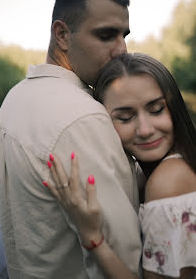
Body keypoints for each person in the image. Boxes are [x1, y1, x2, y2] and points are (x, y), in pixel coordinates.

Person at [0, 0, 143, 278]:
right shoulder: (84, 118)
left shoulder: (14, 99)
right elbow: (125, 260)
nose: (122, 49)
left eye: (124, 35)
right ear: (62, 34)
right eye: (106, 35)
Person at [44, 53, 196, 279]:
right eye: (125, 118)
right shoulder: (181, 162)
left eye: (156, 110)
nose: (145, 129)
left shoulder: (166, 183)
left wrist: (94, 239)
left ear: (174, 109)